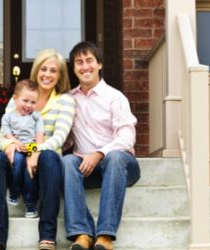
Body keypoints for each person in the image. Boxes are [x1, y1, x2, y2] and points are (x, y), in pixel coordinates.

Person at [0, 48, 75, 250]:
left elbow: (59, 137)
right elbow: (1, 135)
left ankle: (47, 236)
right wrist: (11, 145)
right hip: (16, 160)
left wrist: (34, 151)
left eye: (53, 70)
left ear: (60, 76)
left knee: (50, 157)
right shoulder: (19, 98)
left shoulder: (65, 101)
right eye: (43, 69)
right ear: (36, 70)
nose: (47, 74)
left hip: (44, 164)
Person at [63, 41, 141, 250]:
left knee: (114, 157)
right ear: (73, 69)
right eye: (79, 62)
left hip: (122, 166)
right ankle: (82, 233)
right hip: (86, 167)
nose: (84, 66)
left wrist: (99, 153)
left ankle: (105, 236)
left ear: (99, 65)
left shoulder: (114, 97)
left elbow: (126, 137)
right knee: (67, 161)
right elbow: (65, 138)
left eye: (89, 61)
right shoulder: (69, 100)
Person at [0, 79, 44, 218]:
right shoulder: (7, 117)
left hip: (31, 146)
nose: (29, 105)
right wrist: (17, 143)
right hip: (17, 147)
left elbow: (39, 134)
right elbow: (6, 134)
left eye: (33, 102)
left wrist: (36, 151)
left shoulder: (36, 116)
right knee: (17, 164)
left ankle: (30, 206)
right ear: (14, 98)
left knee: (29, 173)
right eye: (25, 100)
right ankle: (14, 193)